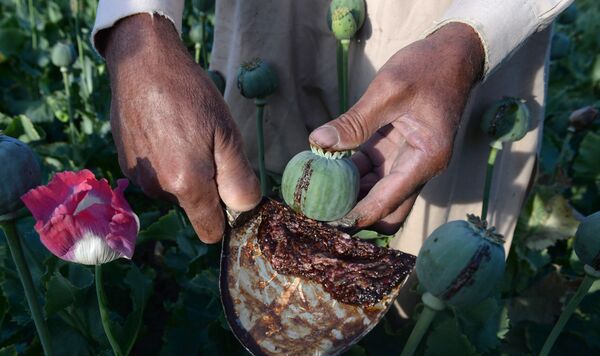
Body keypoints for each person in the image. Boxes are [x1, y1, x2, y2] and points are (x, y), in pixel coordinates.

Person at [92, 0, 572, 256]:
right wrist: (138, 21)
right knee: (251, 174)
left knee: (424, 239)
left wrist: (472, 38)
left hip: (452, 14)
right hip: (275, 13)